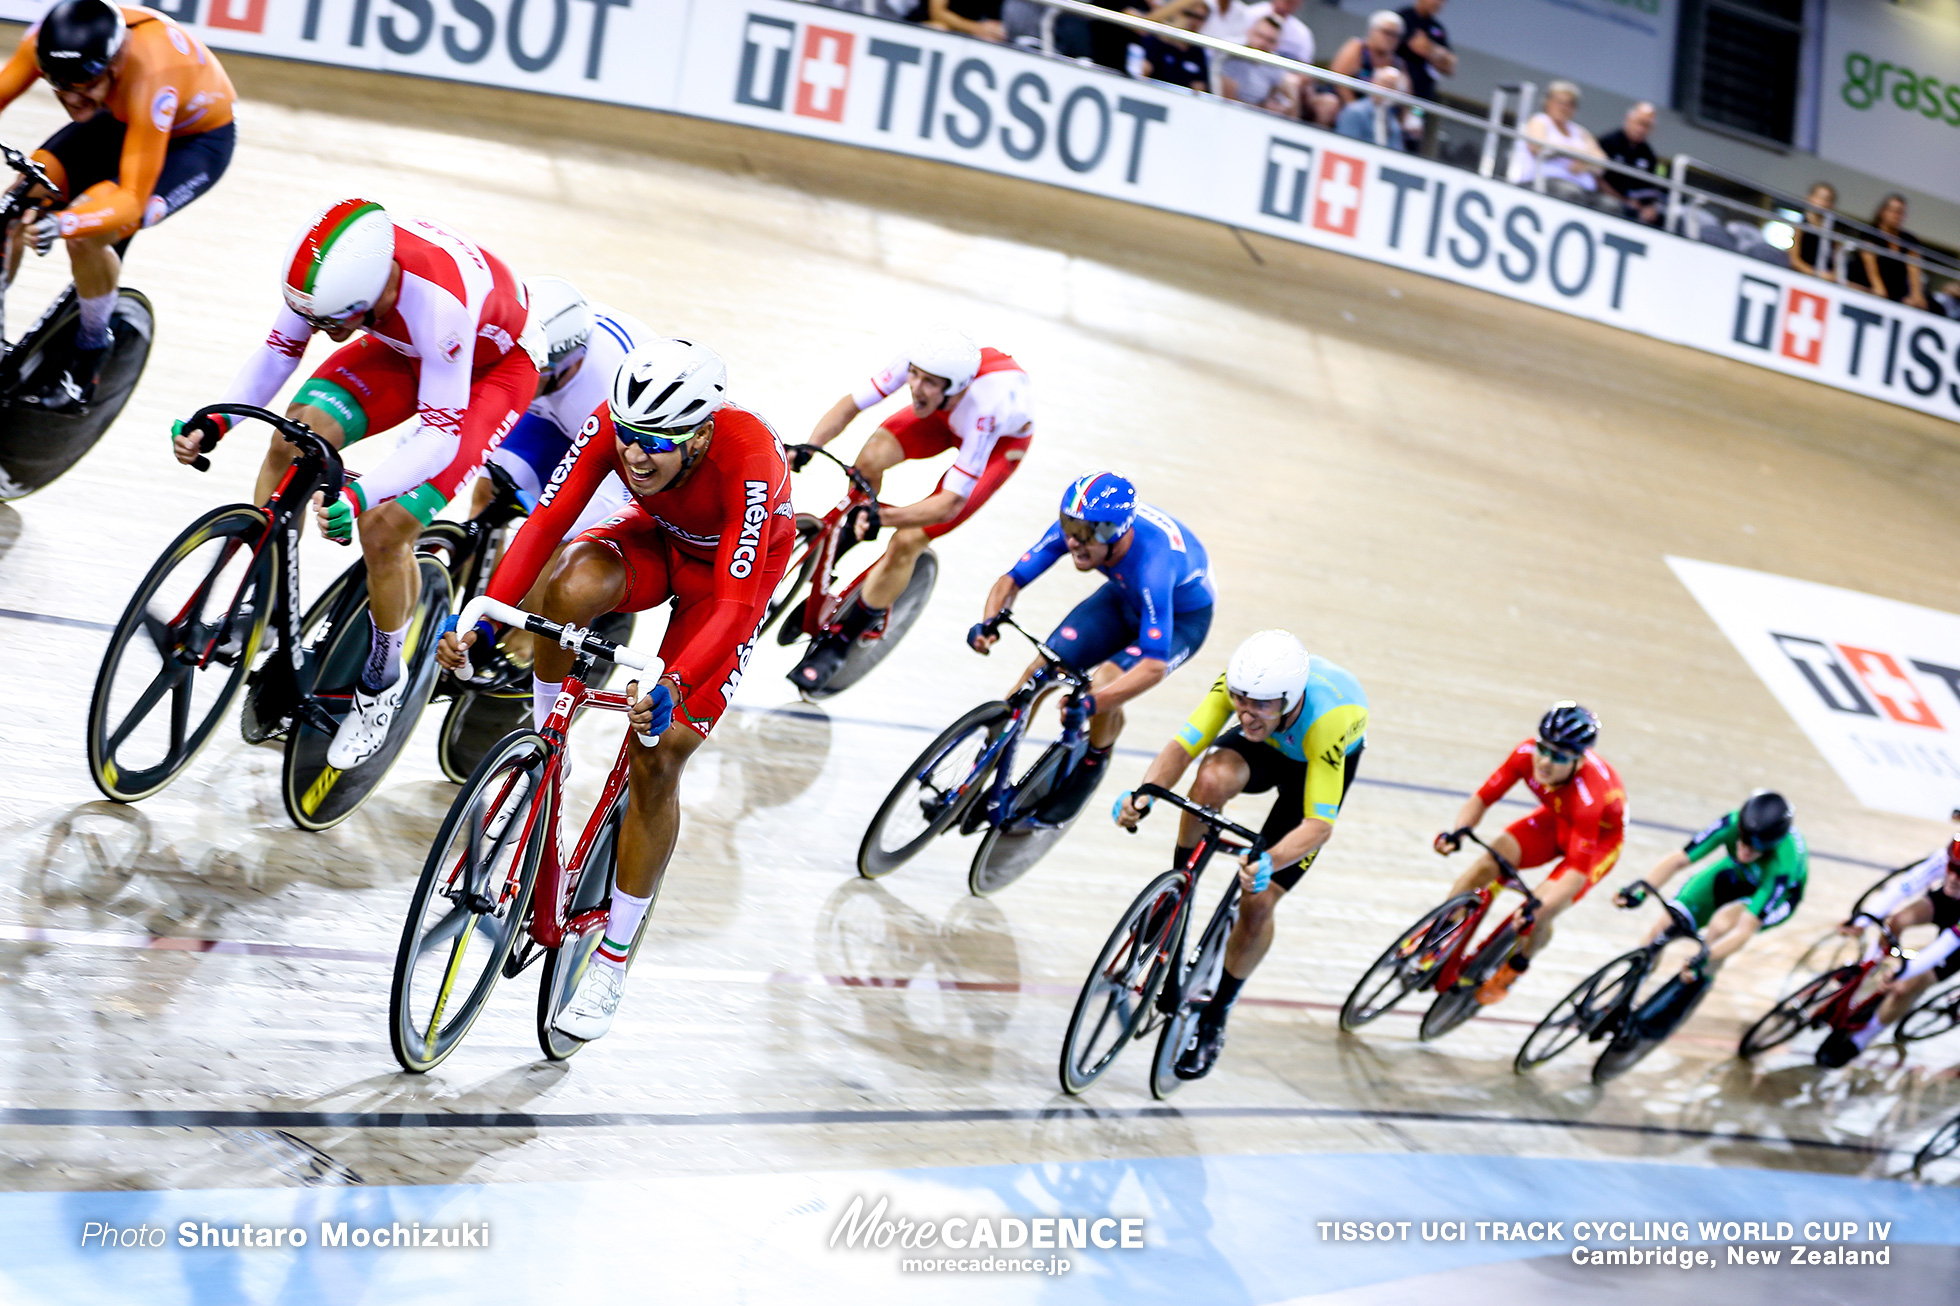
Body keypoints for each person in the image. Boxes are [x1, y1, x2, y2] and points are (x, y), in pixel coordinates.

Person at [436, 338, 794, 1043]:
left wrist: (675, 684)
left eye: (656, 444)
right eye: (628, 435)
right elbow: (546, 523)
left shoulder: (749, 462)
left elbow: (734, 607)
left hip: (726, 586)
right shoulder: (617, 425)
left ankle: (613, 956)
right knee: (568, 583)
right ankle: (546, 741)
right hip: (658, 543)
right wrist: (481, 619)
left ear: (698, 436)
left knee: (657, 756)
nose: (635, 454)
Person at [171, 199, 541, 771]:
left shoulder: (438, 303)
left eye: (328, 323)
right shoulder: (330, 274)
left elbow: (441, 433)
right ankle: (263, 605)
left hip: (493, 371)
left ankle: (381, 687)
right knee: (294, 437)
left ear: (368, 296)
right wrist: (219, 419)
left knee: (385, 529)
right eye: (312, 318)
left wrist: (358, 494)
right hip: (405, 347)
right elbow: (278, 351)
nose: (318, 332)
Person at [1114, 630, 1367, 1078]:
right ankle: (1179, 892)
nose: (1246, 712)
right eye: (1240, 700)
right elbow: (1183, 745)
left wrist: (1270, 860)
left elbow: (1318, 825)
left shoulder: (1328, 720)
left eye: (1261, 704)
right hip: (1269, 746)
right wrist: (1145, 793)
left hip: (1314, 758)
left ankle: (1216, 1015)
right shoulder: (1242, 691)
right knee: (1210, 781)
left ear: (1288, 699)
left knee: (1257, 902)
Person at [0, 1, 235, 410]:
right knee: (17, 200)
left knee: (87, 235)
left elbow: (131, 199)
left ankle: (90, 353)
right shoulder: (45, 42)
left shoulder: (152, 72)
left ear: (115, 59)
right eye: (59, 85)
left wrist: (66, 222)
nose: (72, 97)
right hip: (113, 115)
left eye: (84, 82)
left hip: (193, 143)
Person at [790, 327, 1033, 693]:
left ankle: (844, 638)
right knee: (870, 457)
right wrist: (810, 444)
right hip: (944, 415)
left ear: (955, 386)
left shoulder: (986, 410)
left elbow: (950, 502)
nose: (915, 387)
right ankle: (844, 540)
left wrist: (883, 518)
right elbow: (851, 404)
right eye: (914, 377)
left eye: (928, 382)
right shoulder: (923, 363)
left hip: (999, 442)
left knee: (909, 538)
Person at [970, 471, 1215, 825]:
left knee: (1105, 683)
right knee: (1039, 670)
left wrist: (1090, 704)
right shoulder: (1080, 531)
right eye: (1068, 527)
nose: (1073, 543)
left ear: (1115, 535)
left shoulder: (1154, 566)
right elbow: (1012, 579)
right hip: (1123, 596)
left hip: (1179, 619)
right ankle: (979, 770)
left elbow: (1153, 668)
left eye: (1085, 536)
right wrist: (989, 621)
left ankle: (1091, 764)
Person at [464, 277, 647, 663]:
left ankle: (529, 632)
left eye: (539, 375)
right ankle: (476, 603)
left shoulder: (608, 381)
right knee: (486, 494)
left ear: (572, 361)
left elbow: (613, 487)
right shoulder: (526, 350)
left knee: (561, 531)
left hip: (614, 438)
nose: (527, 382)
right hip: (550, 417)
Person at [1433, 702, 1625, 1006]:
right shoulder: (1525, 755)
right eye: (1543, 748)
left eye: (1559, 756)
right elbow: (1482, 799)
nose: (1545, 761)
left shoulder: (1589, 797)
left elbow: (1575, 873)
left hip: (1595, 844)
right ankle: (1440, 931)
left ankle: (1517, 965)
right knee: (1490, 859)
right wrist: (1458, 832)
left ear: (1578, 761)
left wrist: (1539, 908)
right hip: (1556, 820)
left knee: (1539, 911)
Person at [1619, 791, 1806, 992]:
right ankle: (1623, 995)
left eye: (1755, 846)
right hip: (1739, 872)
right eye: (1742, 838)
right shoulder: (1731, 822)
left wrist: (1705, 957)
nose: (1744, 849)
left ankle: (1698, 983)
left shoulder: (1783, 865)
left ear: (1771, 846)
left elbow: (1744, 931)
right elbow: (1680, 859)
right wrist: (1642, 892)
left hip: (1777, 897)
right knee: (1662, 927)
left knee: (1720, 928)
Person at [1814, 835, 1960, 1068]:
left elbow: (1946, 946)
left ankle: (1860, 1041)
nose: (1952, 877)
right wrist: (1862, 921)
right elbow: (1904, 887)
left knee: (1908, 985)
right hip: (1950, 904)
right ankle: (1868, 972)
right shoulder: (1948, 855)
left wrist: (1903, 974)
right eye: (1952, 868)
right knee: (1896, 922)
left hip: (1957, 943)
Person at [1508, 81, 1615, 213]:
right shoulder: (1540, 121)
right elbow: (1537, 146)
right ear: (1548, 102)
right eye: (1559, 102)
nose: (1564, 107)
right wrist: (1581, 155)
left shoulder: (1580, 132)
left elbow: (1601, 161)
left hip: (1584, 188)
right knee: (1571, 193)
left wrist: (1585, 164)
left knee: (1610, 205)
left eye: (1569, 104)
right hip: (1544, 183)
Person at [1848, 193, 1930, 311]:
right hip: (1867, 287)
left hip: (1896, 293)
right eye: (1894, 211)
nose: (1897, 216)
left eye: (1901, 212)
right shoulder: (1870, 234)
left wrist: (1916, 295)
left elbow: (1914, 268)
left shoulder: (1909, 240)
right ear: (1883, 211)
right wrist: (1879, 290)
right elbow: (1871, 266)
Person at [1597, 102, 1664, 225]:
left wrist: (1649, 207)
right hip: (1606, 197)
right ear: (1628, 118)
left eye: (1647, 125)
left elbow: (1650, 189)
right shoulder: (1608, 142)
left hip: (1635, 206)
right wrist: (1624, 200)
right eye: (1639, 123)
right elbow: (1596, 178)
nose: (1641, 129)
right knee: (1611, 205)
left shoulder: (1649, 155)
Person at [1220, 16, 1300, 116]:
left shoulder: (1274, 62)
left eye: (1270, 40)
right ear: (1249, 32)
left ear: (1277, 44)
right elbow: (1229, 100)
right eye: (1260, 36)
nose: (1262, 43)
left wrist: (1281, 106)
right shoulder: (1232, 55)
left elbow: (1279, 94)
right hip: (1231, 114)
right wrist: (1263, 107)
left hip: (1260, 116)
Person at [1137, 2, 1210, 92]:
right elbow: (1143, 72)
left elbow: (1200, 87)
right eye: (1190, 14)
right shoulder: (1155, 41)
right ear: (1178, 13)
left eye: (1200, 18)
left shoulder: (1198, 52)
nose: (1194, 21)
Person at [1394, 0, 1454, 105]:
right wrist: (1438, 54)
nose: (1439, 4)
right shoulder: (1404, 17)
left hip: (1421, 96)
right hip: (1397, 90)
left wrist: (1431, 50)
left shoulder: (1438, 28)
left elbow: (1450, 65)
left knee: (1415, 120)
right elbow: (1417, 46)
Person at [1335, 67, 1408, 148]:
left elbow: (1397, 151)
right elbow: (1344, 145)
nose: (1388, 89)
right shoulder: (1354, 111)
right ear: (1374, 81)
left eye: (1393, 86)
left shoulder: (1393, 123)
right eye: (1385, 83)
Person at [1788, 182, 1841, 282]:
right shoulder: (1800, 226)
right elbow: (1794, 260)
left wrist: (1831, 276)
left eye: (1827, 199)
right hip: (1801, 277)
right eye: (1819, 197)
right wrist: (1816, 274)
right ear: (1810, 198)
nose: (1822, 203)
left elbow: (1837, 263)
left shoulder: (1833, 232)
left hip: (1824, 280)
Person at [925, 0, 1005, 41]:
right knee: (938, 28)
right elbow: (936, 13)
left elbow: (995, 22)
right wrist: (976, 28)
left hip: (970, 33)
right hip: (927, 23)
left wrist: (994, 31)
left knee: (991, 40)